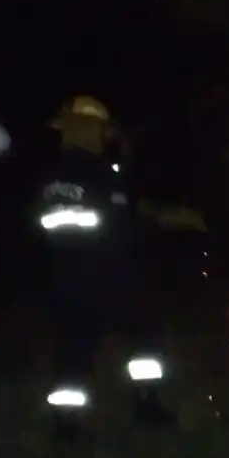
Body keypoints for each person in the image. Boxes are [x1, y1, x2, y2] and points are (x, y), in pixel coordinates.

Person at [38, 94, 206, 431]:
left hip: (70, 278)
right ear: (87, 130)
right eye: (100, 131)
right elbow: (119, 221)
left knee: (73, 348)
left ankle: (67, 424)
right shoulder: (94, 172)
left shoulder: (57, 175)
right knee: (143, 337)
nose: (103, 138)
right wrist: (167, 220)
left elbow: (109, 211)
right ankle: (147, 407)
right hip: (106, 275)